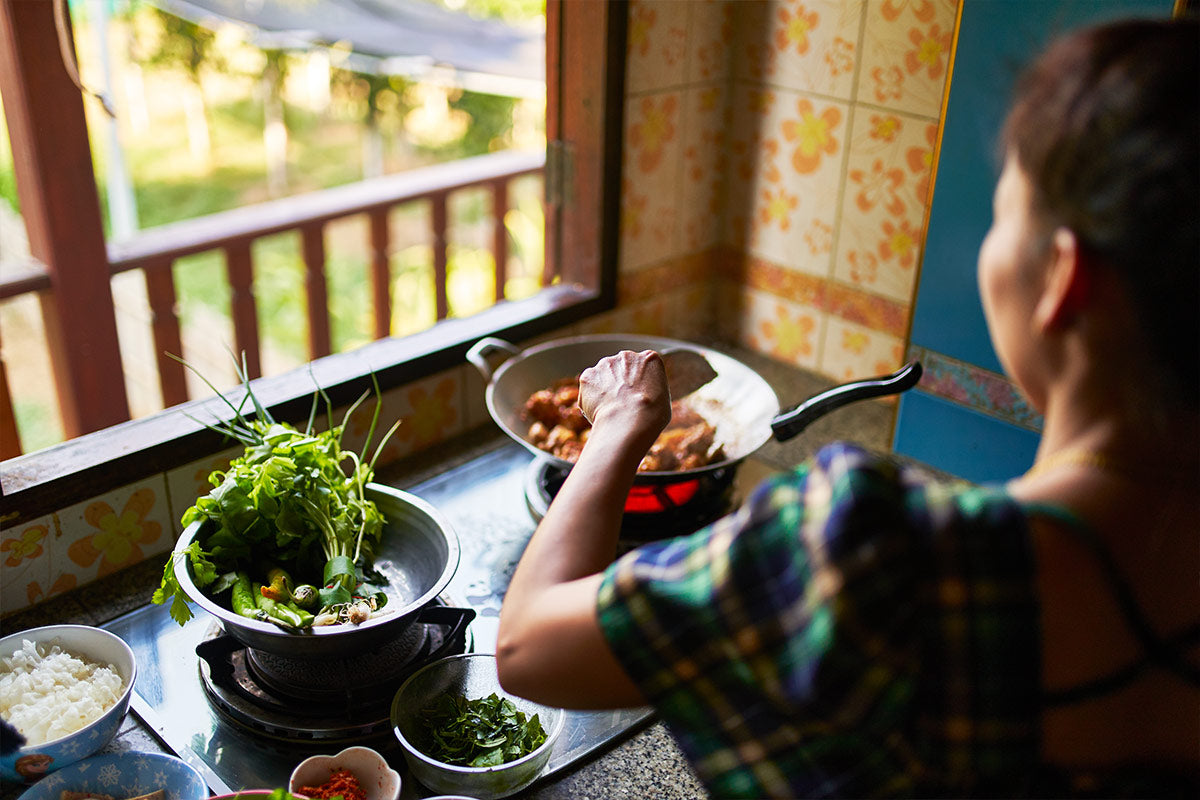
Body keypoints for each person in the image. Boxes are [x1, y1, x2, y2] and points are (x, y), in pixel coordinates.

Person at [496, 15, 1199, 798]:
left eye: (1006, 215)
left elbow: (527, 650)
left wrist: (619, 426)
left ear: (1065, 278)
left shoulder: (869, 560)